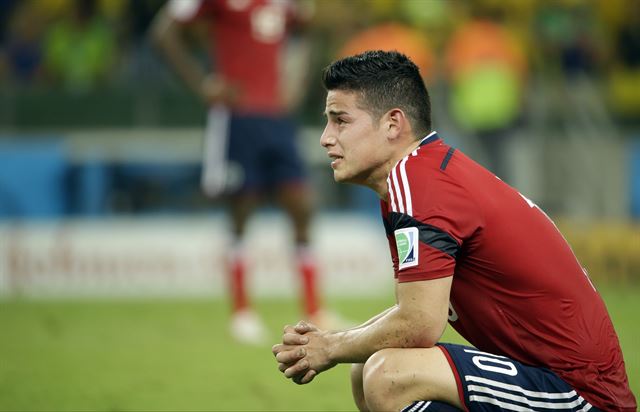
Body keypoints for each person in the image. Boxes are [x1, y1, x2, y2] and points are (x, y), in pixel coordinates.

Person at [272, 51, 636, 411]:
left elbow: (420, 324)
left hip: (580, 393)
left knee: (388, 374)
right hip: (543, 375)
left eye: (340, 121)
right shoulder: (420, 175)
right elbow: (417, 309)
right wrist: (336, 341)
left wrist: (330, 348)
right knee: (366, 365)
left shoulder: (423, 186)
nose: (325, 138)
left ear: (393, 124)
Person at [151, 0, 338, 345]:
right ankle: (241, 311)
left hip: (277, 117)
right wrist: (203, 84)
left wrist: (295, 76)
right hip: (237, 115)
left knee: (301, 205)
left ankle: (315, 309)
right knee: (242, 209)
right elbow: (163, 32)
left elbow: (307, 31)